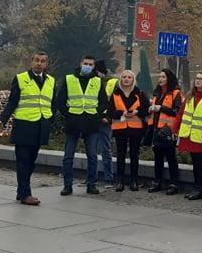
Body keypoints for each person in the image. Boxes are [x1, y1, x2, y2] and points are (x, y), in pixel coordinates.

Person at [0, 51, 55, 205]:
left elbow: (52, 102)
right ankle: (26, 194)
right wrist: (2, 120)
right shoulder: (21, 78)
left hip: (41, 125)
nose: (39, 63)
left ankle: (21, 191)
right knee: (23, 161)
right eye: (36, 60)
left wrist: (51, 119)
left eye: (42, 61)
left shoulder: (51, 81)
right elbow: (12, 102)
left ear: (46, 64)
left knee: (31, 162)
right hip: (24, 125)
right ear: (31, 61)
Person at [57, 54, 108, 196]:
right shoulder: (69, 79)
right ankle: (67, 185)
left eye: (91, 64)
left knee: (92, 156)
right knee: (68, 156)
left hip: (91, 123)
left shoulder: (97, 81)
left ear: (94, 66)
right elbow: (60, 100)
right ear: (81, 64)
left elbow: (104, 102)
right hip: (73, 122)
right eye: (86, 63)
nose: (88, 66)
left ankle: (92, 184)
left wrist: (97, 114)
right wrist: (68, 114)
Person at [108, 69, 149, 192]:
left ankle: (134, 180)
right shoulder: (115, 94)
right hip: (120, 128)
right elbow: (110, 111)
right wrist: (121, 113)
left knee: (134, 155)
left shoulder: (140, 93)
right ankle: (119, 181)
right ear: (121, 79)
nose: (126, 79)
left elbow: (146, 109)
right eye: (124, 77)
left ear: (133, 80)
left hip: (135, 128)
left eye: (129, 77)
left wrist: (137, 111)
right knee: (120, 154)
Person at [178, 71, 202, 201]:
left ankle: (200, 188)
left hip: (201, 137)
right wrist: (175, 129)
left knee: (199, 163)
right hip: (189, 134)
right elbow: (181, 114)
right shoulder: (189, 96)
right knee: (195, 162)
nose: (197, 81)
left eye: (201, 79)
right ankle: (197, 187)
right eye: (196, 78)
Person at [147, 68, 183, 194]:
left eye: (163, 77)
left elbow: (178, 112)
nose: (160, 79)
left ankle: (174, 184)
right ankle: (157, 182)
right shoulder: (157, 93)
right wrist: (152, 109)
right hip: (157, 129)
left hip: (168, 130)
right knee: (158, 157)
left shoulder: (175, 93)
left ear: (169, 79)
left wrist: (160, 108)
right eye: (160, 77)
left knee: (171, 157)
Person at [95, 59, 117, 188]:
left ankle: (109, 178)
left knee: (105, 149)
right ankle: (92, 178)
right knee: (92, 150)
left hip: (104, 121)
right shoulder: (92, 81)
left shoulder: (112, 83)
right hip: (93, 120)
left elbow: (115, 103)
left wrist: (108, 118)